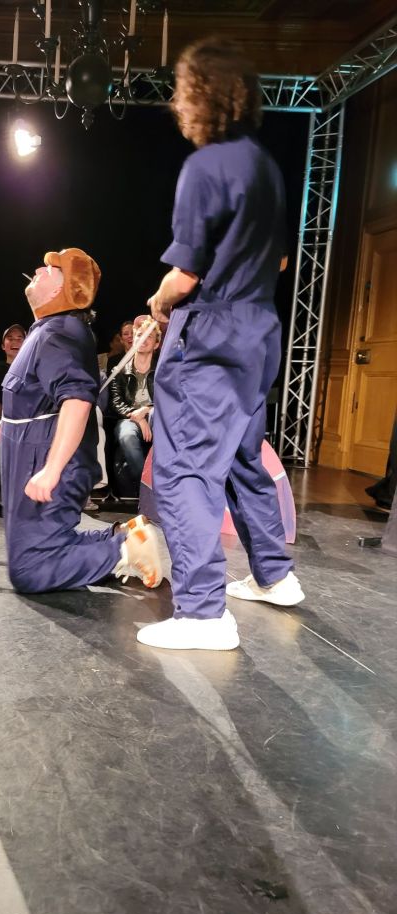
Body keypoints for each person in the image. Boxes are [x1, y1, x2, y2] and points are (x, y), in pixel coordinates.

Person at [139, 36, 304, 652]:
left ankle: (203, 612)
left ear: (199, 95)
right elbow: (278, 258)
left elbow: (185, 275)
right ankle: (274, 575)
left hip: (212, 333)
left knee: (185, 467)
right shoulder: (266, 167)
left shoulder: (205, 167)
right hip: (259, 332)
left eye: (181, 92)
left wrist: (160, 302)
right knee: (241, 456)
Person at [0, 248, 161, 593]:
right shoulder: (46, 331)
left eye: (50, 268)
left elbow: (77, 400)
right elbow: (40, 393)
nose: (38, 269)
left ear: (66, 290)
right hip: (32, 456)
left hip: (49, 461)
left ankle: (123, 550)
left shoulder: (59, 333)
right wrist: (4, 426)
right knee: (32, 549)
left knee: (31, 569)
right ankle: (123, 535)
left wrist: (52, 469)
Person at [109, 315, 162, 497]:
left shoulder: (163, 369)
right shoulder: (119, 370)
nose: (143, 340)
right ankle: (149, 488)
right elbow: (116, 402)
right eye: (139, 335)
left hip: (157, 416)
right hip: (130, 419)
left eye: (149, 336)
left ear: (156, 344)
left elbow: (170, 398)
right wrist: (137, 416)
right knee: (127, 435)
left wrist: (147, 409)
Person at [0, 323, 26, 424]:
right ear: (3, 346)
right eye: (10, 339)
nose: (15, 342)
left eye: (19, 339)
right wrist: (11, 417)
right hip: (5, 420)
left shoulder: (32, 370)